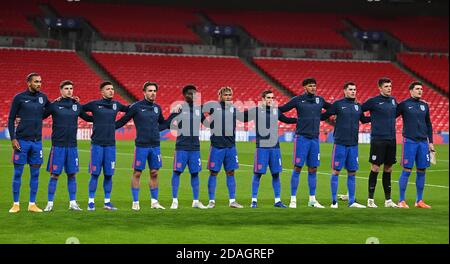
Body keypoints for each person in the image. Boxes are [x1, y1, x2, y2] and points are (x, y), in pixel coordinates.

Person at [115, 82, 177, 210]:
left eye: (154, 91)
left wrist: (173, 115)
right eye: (150, 91)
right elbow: (123, 120)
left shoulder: (157, 108)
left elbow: (163, 124)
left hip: (155, 145)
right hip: (141, 145)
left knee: (154, 172)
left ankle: (154, 202)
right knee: (137, 172)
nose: (153, 93)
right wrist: (109, 126)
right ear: (144, 92)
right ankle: (135, 202)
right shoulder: (136, 107)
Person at [279, 78, 331, 208]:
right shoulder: (297, 100)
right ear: (304, 87)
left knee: (313, 168)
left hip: (314, 139)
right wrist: (291, 120)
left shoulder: (320, 100)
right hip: (301, 138)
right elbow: (281, 109)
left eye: (314, 85)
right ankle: (293, 199)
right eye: (310, 86)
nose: (313, 88)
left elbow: (332, 109)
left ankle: (312, 199)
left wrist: (322, 117)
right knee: (298, 167)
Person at [42, 80, 93, 212]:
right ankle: (50, 203)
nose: (69, 90)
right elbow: (41, 115)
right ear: (61, 90)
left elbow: (88, 118)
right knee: (54, 175)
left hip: (72, 146)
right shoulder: (54, 105)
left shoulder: (76, 105)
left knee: (72, 174)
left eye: (71, 88)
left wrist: (104, 116)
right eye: (66, 88)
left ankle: (73, 203)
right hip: (58, 146)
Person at [321, 82, 369, 208]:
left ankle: (352, 201)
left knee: (352, 172)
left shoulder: (358, 106)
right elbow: (325, 116)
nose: (353, 91)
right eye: (351, 89)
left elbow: (364, 120)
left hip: (353, 144)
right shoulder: (338, 104)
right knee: (336, 171)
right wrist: (312, 116)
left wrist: (378, 116)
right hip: (340, 143)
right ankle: (334, 202)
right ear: (345, 91)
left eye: (354, 89)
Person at [82, 81, 129, 211]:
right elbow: (79, 110)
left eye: (112, 89)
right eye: (108, 89)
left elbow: (130, 110)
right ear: (102, 92)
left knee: (109, 174)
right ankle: (91, 202)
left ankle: (107, 202)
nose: (111, 91)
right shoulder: (94, 104)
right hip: (97, 144)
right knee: (95, 173)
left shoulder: (116, 105)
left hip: (110, 145)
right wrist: (91, 119)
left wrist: (118, 124)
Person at [8, 73, 50, 213]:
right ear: (29, 83)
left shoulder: (43, 97)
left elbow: (51, 109)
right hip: (21, 142)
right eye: (36, 81)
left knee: (35, 174)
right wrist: (13, 138)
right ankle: (16, 204)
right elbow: (11, 119)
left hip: (37, 142)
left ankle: (32, 204)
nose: (39, 84)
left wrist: (67, 100)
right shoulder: (19, 98)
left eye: (40, 81)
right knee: (18, 173)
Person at [248, 90, 297, 208]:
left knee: (276, 174)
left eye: (272, 98)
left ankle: (277, 201)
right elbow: (242, 117)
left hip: (275, 148)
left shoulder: (276, 111)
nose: (270, 100)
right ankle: (254, 200)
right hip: (262, 148)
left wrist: (301, 120)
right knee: (258, 174)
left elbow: (287, 120)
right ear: (263, 99)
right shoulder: (256, 111)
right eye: (268, 98)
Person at [203, 86, 248, 208]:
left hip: (230, 146)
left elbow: (244, 118)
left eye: (230, 95)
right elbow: (198, 110)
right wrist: (206, 122)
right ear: (221, 96)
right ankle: (211, 201)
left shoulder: (233, 109)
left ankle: (232, 201)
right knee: (213, 173)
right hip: (217, 146)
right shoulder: (213, 107)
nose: (228, 97)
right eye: (226, 95)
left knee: (231, 172)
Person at [169, 85, 208, 209]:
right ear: (185, 95)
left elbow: (206, 123)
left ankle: (196, 201)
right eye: (191, 93)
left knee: (195, 173)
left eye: (195, 93)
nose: (194, 96)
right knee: (177, 172)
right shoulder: (179, 108)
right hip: (181, 146)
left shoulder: (199, 109)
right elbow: (168, 122)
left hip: (195, 147)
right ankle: (174, 200)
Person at [362, 78, 398, 208]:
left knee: (388, 168)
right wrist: (366, 120)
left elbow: (397, 113)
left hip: (391, 139)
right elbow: (359, 110)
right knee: (375, 167)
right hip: (378, 140)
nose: (389, 88)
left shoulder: (394, 101)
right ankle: (370, 200)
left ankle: (388, 200)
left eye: (390, 86)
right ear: (380, 88)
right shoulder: (373, 101)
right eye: (386, 86)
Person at [396, 81, 434, 209]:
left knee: (422, 170)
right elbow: (391, 116)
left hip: (423, 142)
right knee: (407, 170)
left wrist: (431, 142)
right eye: (417, 89)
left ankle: (419, 200)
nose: (420, 91)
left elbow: (428, 124)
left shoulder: (424, 105)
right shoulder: (404, 105)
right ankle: (401, 200)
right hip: (410, 141)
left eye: (421, 89)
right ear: (411, 91)